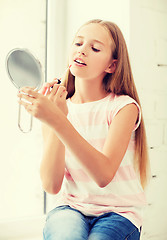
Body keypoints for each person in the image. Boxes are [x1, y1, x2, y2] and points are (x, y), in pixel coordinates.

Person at [18, 19, 150, 240]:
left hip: (119, 213)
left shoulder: (123, 108)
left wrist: (58, 119)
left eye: (95, 48)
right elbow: (51, 184)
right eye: (78, 43)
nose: (82, 51)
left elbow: (103, 175)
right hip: (71, 207)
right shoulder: (58, 105)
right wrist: (55, 117)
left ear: (112, 65)